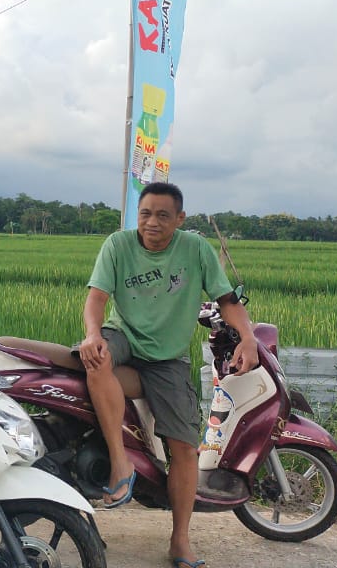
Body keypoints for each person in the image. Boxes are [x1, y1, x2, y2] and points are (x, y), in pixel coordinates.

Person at [79, 182, 258, 568]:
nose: (152, 223)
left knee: (185, 450)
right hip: (123, 336)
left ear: (179, 219)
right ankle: (120, 462)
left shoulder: (195, 250)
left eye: (163, 215)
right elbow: (96, 298)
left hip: (167, 359)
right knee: (97, 359)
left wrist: (247, 338)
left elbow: (227, 301)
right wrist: (93, 334)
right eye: (145, 214)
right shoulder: (118, 245)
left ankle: (180, 540)